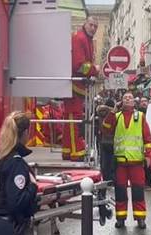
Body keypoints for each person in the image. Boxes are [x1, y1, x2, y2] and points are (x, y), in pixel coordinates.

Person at [102, 92, 151, 229]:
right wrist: (112, 111)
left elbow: (147, 138)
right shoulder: (116, 116)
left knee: (138, 192)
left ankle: (140, 218)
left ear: (133, 102)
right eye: (125, 97)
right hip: (120, 163)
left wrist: (148, 155)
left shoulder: (140, 116)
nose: (128, 99)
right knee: (120, 192)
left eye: (130, 97)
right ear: (122, 101)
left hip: (136, 162)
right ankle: (121, 218)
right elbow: (105, 129)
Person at [0, 111, 38, 235]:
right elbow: (17, 202)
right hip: (7, 227)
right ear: (25, 133)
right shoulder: (15, 162)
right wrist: (33, 186)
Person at [62, 16, 99, 162]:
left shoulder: (85, 38)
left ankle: (67, 149)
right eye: (91, 25)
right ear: (85, 24)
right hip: (75, 84)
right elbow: (79, 65)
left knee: (70, 117)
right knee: (73, 117)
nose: (93, 28)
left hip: (77, 84)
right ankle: (75, 150)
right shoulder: (80, 38)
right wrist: (94, 70)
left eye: (95, 26)